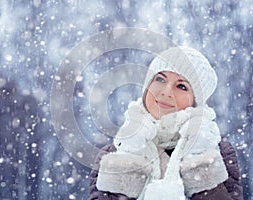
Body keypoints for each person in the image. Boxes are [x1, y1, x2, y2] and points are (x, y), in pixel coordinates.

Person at [88, 46, 243, 200]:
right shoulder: (112, 154)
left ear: (196, 102)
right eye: (160, 79)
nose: (166, 91)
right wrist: (128, 156)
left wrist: (199, 159)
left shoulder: (218, 153)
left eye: (181, 86)